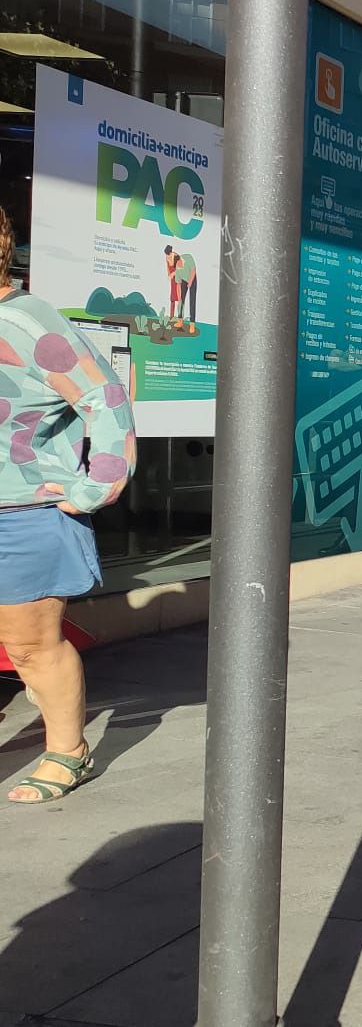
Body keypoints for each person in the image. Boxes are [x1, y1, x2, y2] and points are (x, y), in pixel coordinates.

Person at [0, 206, 138, 802]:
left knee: (30, 646)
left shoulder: (28, 322)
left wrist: (93, 488)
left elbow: (106, 399)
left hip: (19, 513)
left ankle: (68, 751)